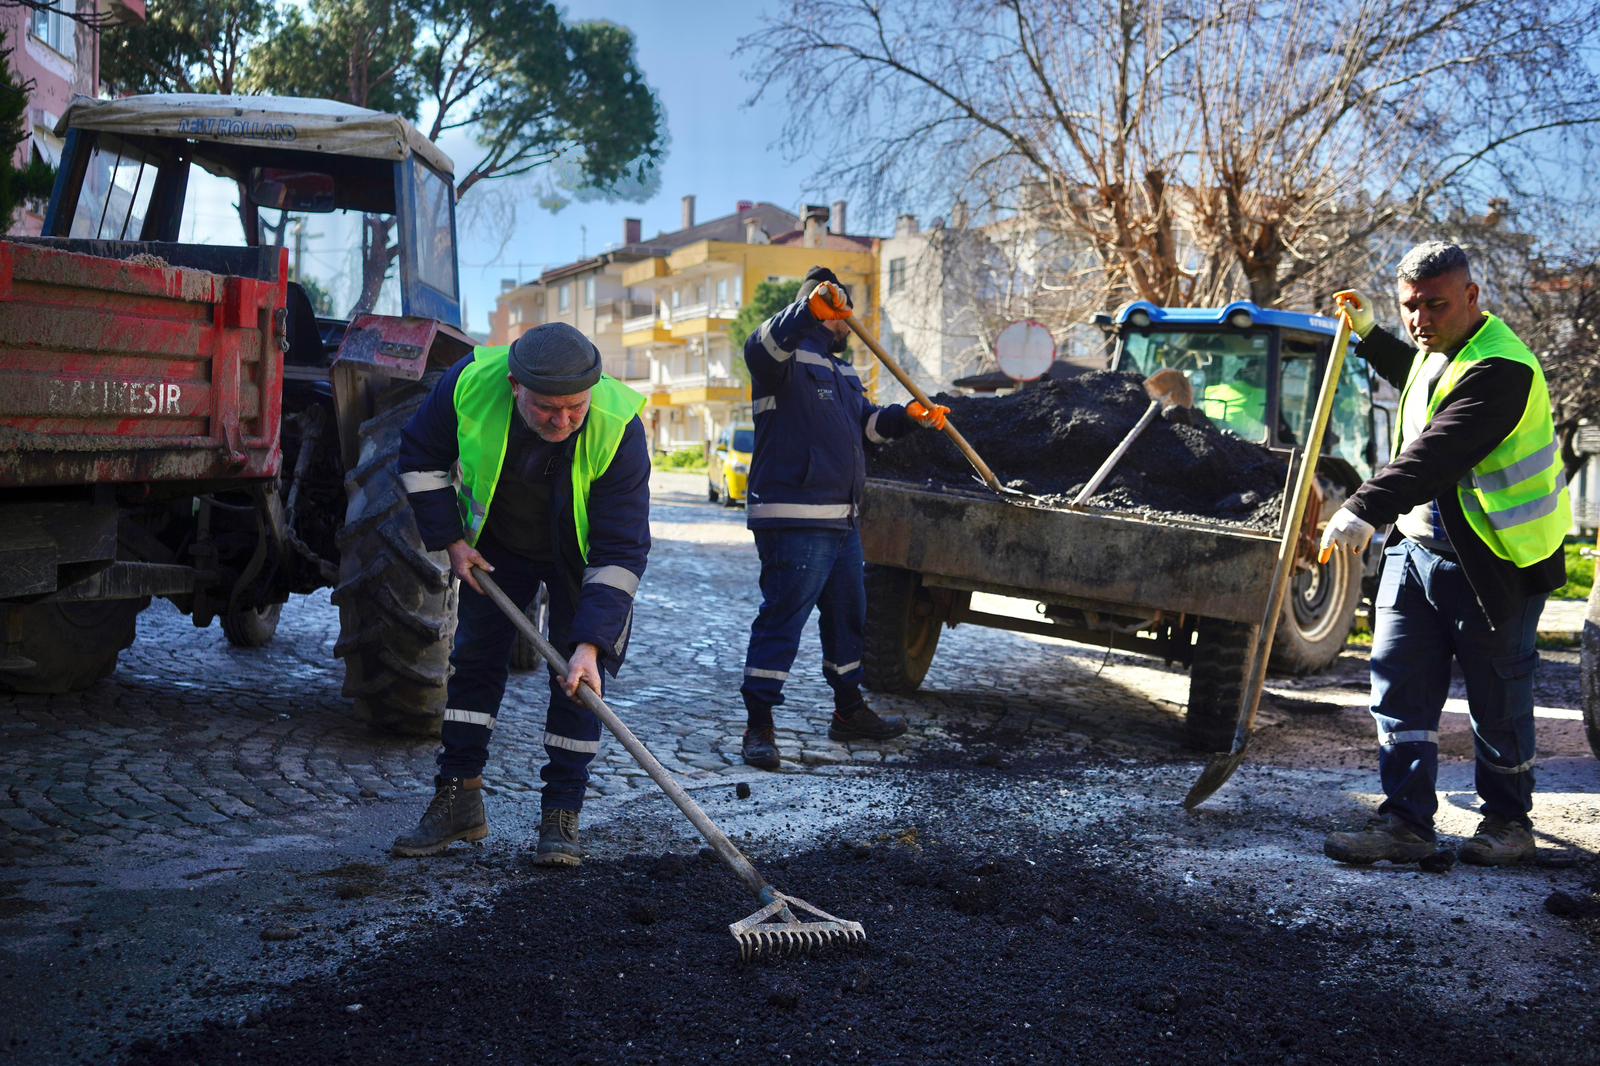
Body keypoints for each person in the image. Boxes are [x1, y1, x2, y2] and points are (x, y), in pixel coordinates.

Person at [1320, 241, 1569, 867]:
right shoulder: (1439, 354)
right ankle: (1405, 825)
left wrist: (1359, 508)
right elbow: (1416, 376)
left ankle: (1509, 824)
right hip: (1415, 555)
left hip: (1493, 563)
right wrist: (1373, 333)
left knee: (1497, 702)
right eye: (1410, 307)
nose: (1420, 320)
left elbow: (1437, 452)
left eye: (1435, 305)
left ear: (1472, 298)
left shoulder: (1502, 368)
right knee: (1399, 691)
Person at [390, 322, 650, 865]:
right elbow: (419, 458)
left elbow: (621, 551)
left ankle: (562, 813)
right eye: (547, 409)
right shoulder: (468, 384)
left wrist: (592, 644)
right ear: (514, 386)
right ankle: (458, 797)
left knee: (580, 681)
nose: (563, 421)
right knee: (476, 662)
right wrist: (451, 541)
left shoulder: (617, 425)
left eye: (574, 408)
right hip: (499, 547)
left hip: (583, 558)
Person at [738, 266, 950, 769]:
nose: (848, 320)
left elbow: (868, 428)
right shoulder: (782, 359)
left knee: (848, 617)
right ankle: (759, 724)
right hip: (795, 519)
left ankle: (849, 710)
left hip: (842, 522)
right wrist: (807, 308)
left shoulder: (843, 372)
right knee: (783, 618)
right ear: (822, 308)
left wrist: (909, 417)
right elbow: (759, 345)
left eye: (844, 309)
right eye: (838, 310)